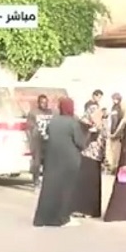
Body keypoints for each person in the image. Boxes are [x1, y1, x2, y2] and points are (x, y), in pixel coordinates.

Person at [33, 97, 88, 227]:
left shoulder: (53, 121)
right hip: (69, 161)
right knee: (66, 190)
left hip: (52, 159)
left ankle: (44, 218)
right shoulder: (73, 123)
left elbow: (47, 136)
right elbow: (80, 143)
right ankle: (63, 218)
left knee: (50, 189)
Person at [71, 92, 107, 218]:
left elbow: (103, 140)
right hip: (87, 156)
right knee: (84, 184)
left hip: (93, 157)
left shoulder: (101, 126)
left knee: (91, 184)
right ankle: (82, 209)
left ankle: (90, 210)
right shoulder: (85, 124)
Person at [26, 94, 53, 189]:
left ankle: (47, 182)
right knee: (36, 163)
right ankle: (36, 181)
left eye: (45, 102)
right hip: (37, 140)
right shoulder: (33, 113)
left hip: (49, 141)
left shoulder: (51, 112)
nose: (44, 104)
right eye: (42, 102)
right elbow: (29, 128)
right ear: (38, 103)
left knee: (48, 163)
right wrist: (30, 141)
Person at [106, 93, 125, 174]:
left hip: (114, 132)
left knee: (113, 151)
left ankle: (113, 167)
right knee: (116, 151)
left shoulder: (115, 108)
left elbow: (114, 120)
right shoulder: (121, 108)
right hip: (118, 132)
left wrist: (113, 132)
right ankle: (115, 166)